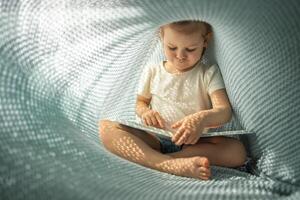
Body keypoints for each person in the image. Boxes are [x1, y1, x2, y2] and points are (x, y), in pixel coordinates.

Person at [99, 20, 247, 180]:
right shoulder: (153, 70)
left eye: (190, 49)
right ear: (161, 37)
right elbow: (140, 102)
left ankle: (163, 160)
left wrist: (201, 119)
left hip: (192, 143)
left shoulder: (208, 73)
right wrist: (145, 112)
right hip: (155, 137)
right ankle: (166, 163)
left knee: (237, 151)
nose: (180, 56)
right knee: (106, 127)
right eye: (172, 48)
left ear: (205, 41)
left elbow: (224, 111)